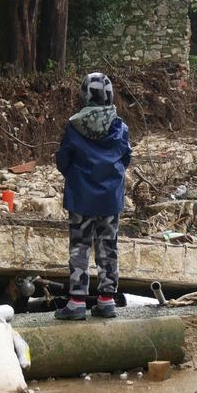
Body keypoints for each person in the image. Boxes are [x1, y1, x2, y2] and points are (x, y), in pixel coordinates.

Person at [53, 72, 132, 320]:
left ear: (85, 95)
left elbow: (63, 160)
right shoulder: (120, 127)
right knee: (108, 246)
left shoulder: (74, 126)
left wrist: (79, 178)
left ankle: (76, 302)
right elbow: (126, 158)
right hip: (110, 199)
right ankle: (106, 300)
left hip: (80, 198)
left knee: (80, 247)